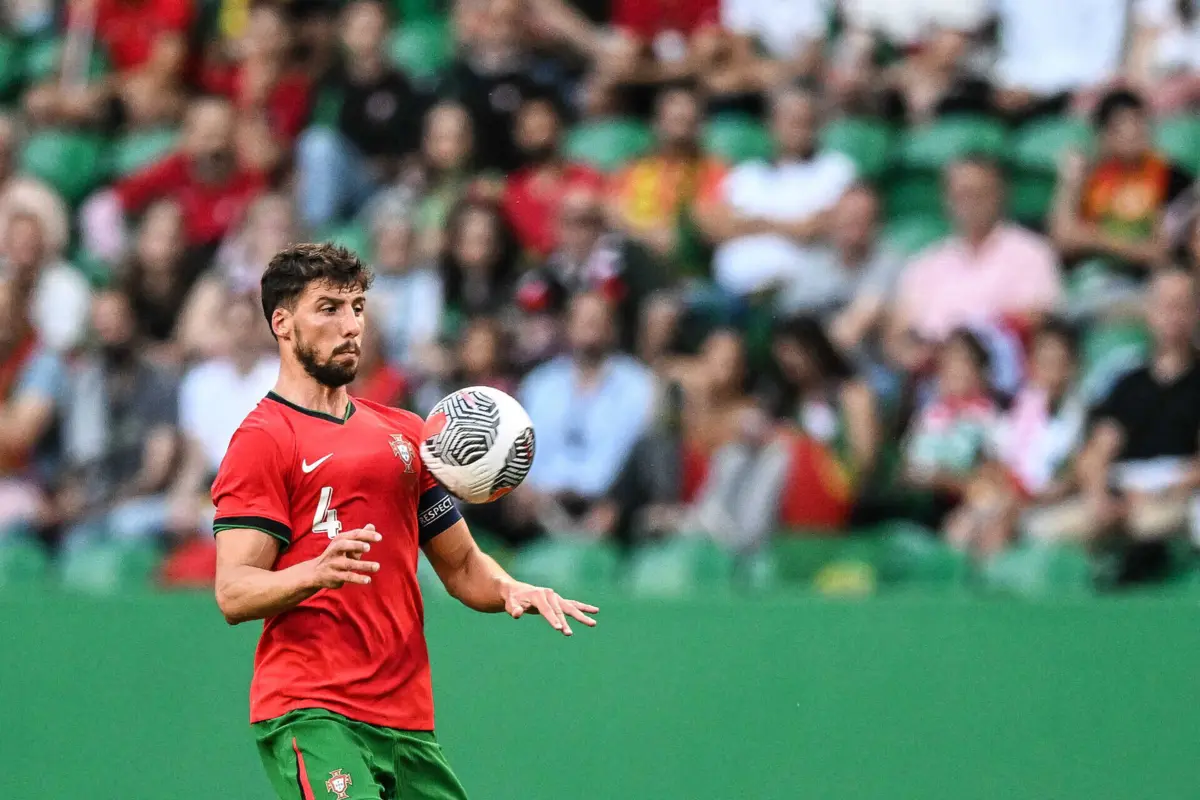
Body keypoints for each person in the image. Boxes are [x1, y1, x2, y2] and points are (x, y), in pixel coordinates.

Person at [211, 242, 597, 800]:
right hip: (313, 710)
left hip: (406, 718)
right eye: (329, 308)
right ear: (282, 323)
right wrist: (314, 572)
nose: (351, 326)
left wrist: (511, 588)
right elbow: (234, 590)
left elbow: (463, 566)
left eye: (358, 308)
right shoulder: (263, 439)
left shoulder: (409, 434)